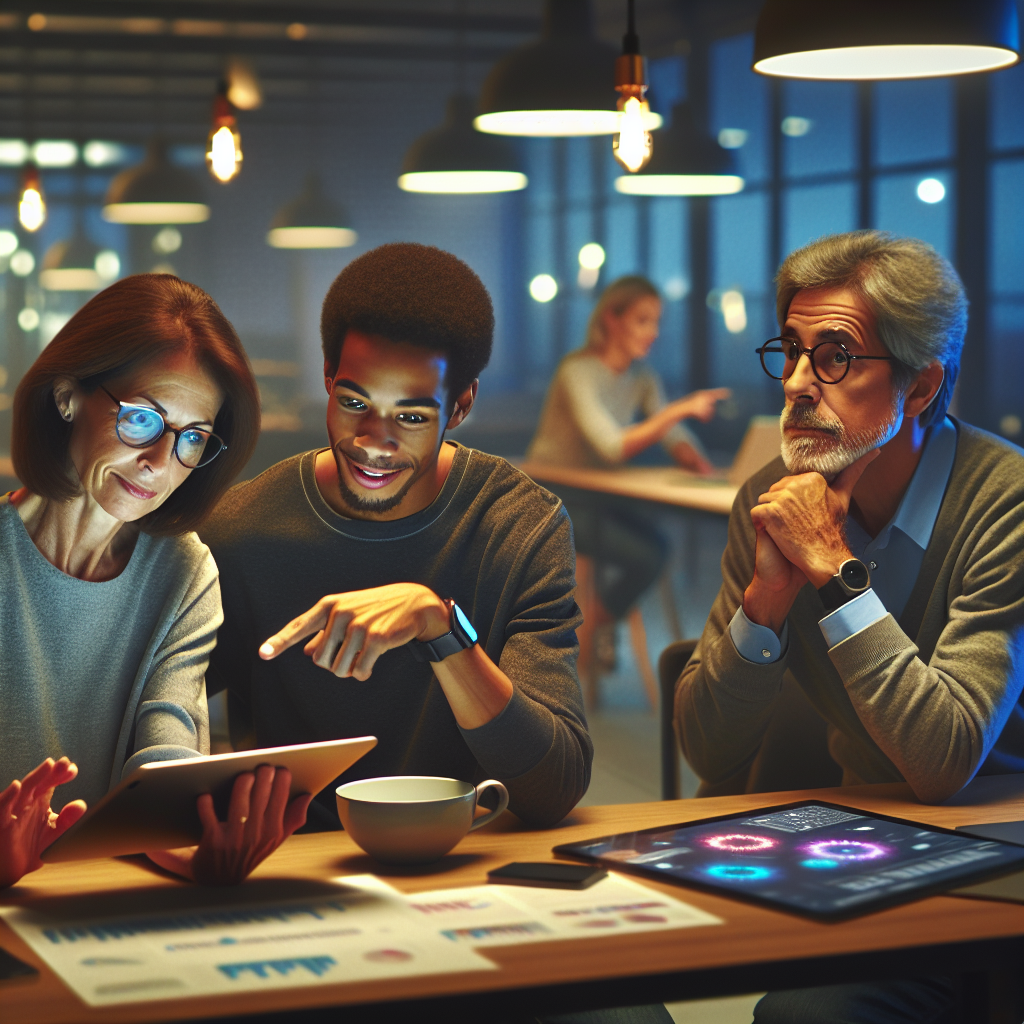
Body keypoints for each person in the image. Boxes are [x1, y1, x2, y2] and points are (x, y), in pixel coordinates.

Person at [675, 231, 1024, 1023]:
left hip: (1001, 860)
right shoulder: (774, 499)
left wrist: (834, 570)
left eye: (835, 356)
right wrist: (765, 602)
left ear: (922, 384)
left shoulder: (1007, 501)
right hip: (877, 853)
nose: (799, 384)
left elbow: (944, 760)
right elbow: (708, 749)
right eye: (792, 351)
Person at [201, 243, 593, 834]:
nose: (374, 442)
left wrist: (441, 628)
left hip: (463, 860)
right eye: (354, 402)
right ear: (328, 380)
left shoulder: (520, 527)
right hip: (292, 862)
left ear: (460, 405)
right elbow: (143, 723)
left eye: (411, 416)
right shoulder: (240, 529)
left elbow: (553, 786)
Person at [0, 274, 311, 890]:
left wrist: (192, 834)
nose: (161, 463)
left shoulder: (184, 571)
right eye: (143, 419)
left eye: (192, 437)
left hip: (111, 898)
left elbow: (167, 744)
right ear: (67, 395)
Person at [527, 276, 729, 669]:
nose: (653, 332)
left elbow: (673, 435)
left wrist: (696, 459)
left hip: (598, 496)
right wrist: (678, 410)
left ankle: (595, 626)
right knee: (647, 554)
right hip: (552, 499)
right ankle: (589, 631)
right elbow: (612, 446)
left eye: (656, 322)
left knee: (656, 543)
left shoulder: (642, 378)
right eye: (643, 320)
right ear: (612, 320)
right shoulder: (577, 370)